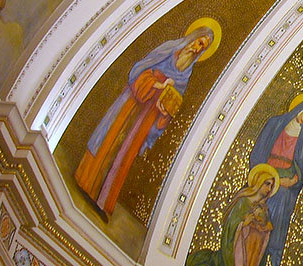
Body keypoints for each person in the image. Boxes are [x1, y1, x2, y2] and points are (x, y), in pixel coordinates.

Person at [74, 23, 216, 218]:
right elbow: (140, 69)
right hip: (134, 101)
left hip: (149, 115)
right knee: (112, 137)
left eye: (203, 48)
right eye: (200, 42)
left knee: (126, 153)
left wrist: (166, 104)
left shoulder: (186, 73)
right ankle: (87, 181)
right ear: (193, 37)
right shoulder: (169, 48)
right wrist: (157, 84)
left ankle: (103, 202)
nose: (198, 48)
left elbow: (175, 101)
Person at [247, 98, 303, 266]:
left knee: (281, 206)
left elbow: (300, 165)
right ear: (299, 109)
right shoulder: (276, 123)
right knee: (258, 207)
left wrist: (295, 180)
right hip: (266, 173)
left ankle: (274, 250)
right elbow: (259, 149)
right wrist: (262, 172)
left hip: (286, 180)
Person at [184, 164, 280, 266]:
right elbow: (232, 226)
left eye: (271, 186)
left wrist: (260, 222)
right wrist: (246, 222)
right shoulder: (243, 201)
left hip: (252, 248)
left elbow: (264, 225)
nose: (269, 189)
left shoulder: (263, 206)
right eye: (267, 184)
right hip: (236, 249)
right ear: (258, 181)